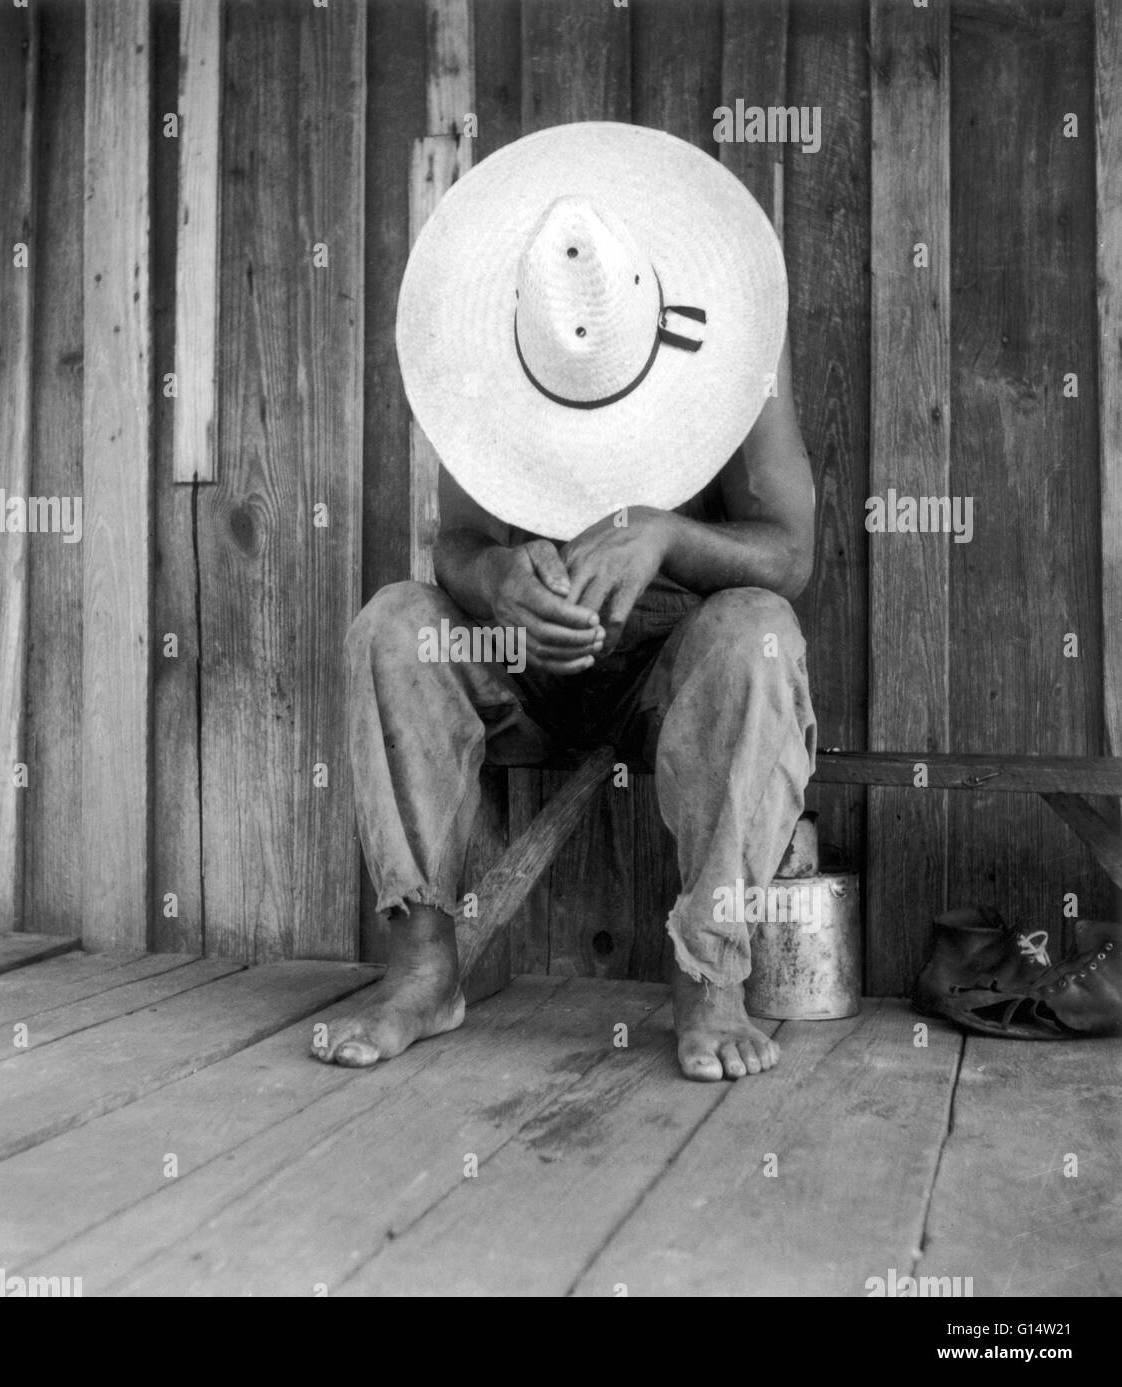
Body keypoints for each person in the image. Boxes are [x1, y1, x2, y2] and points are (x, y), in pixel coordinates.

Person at [314, 122, 817, 1081]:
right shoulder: (489, 349)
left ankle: (710, 976)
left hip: (677, 673)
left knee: (760, 634)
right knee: (392, 624)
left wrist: (666, 532)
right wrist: (497, 580)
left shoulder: (738, 345)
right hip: (525, 662)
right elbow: (454, 544)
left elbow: (789, 556)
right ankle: (424, 966)